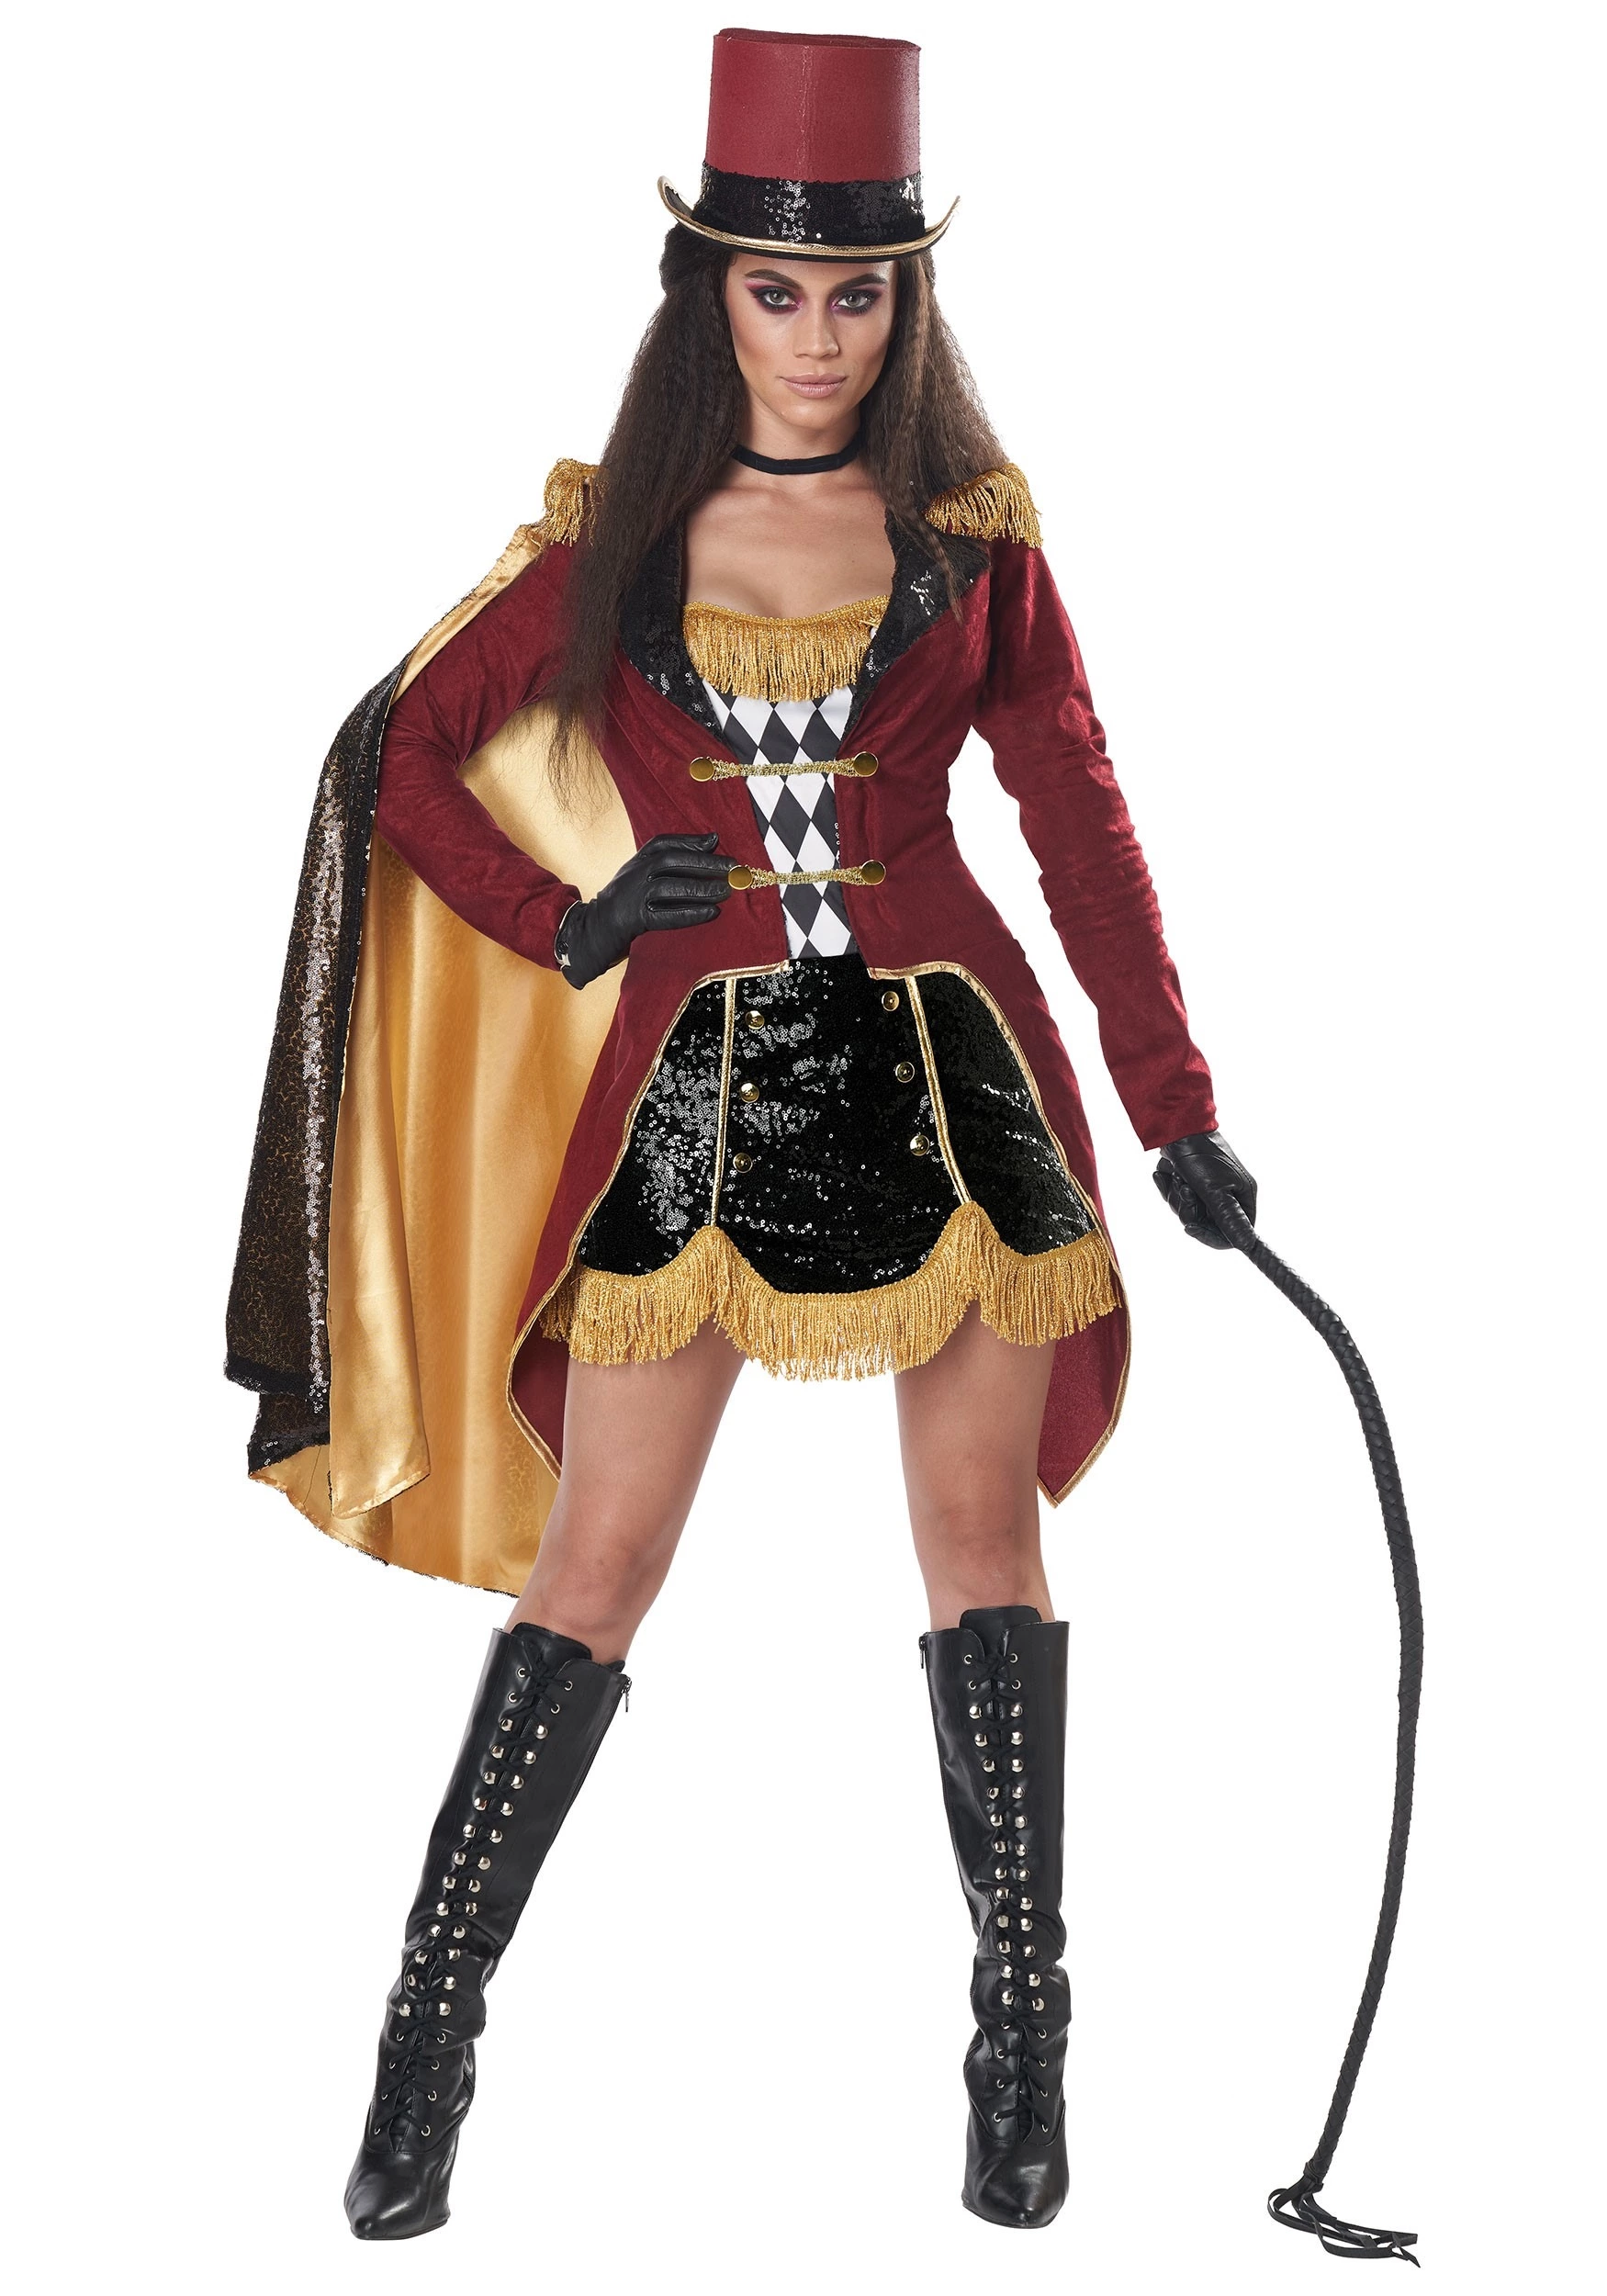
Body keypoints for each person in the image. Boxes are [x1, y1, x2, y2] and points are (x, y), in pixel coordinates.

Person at [227, 26, 1257, 2241]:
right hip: (693, 1102)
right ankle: (426, 2038)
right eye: (774, 290)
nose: (814, 334)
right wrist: (573, 919)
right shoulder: (604, 549)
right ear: (706, 288)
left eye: (855, 292)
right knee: (599, 1568)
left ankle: (1019, 2039)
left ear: (904, 299)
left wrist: (1169, 1104)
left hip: (958, 1090)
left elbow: (1081, 825)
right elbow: (397, 758)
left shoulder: (973, 543)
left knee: (980, 1545)